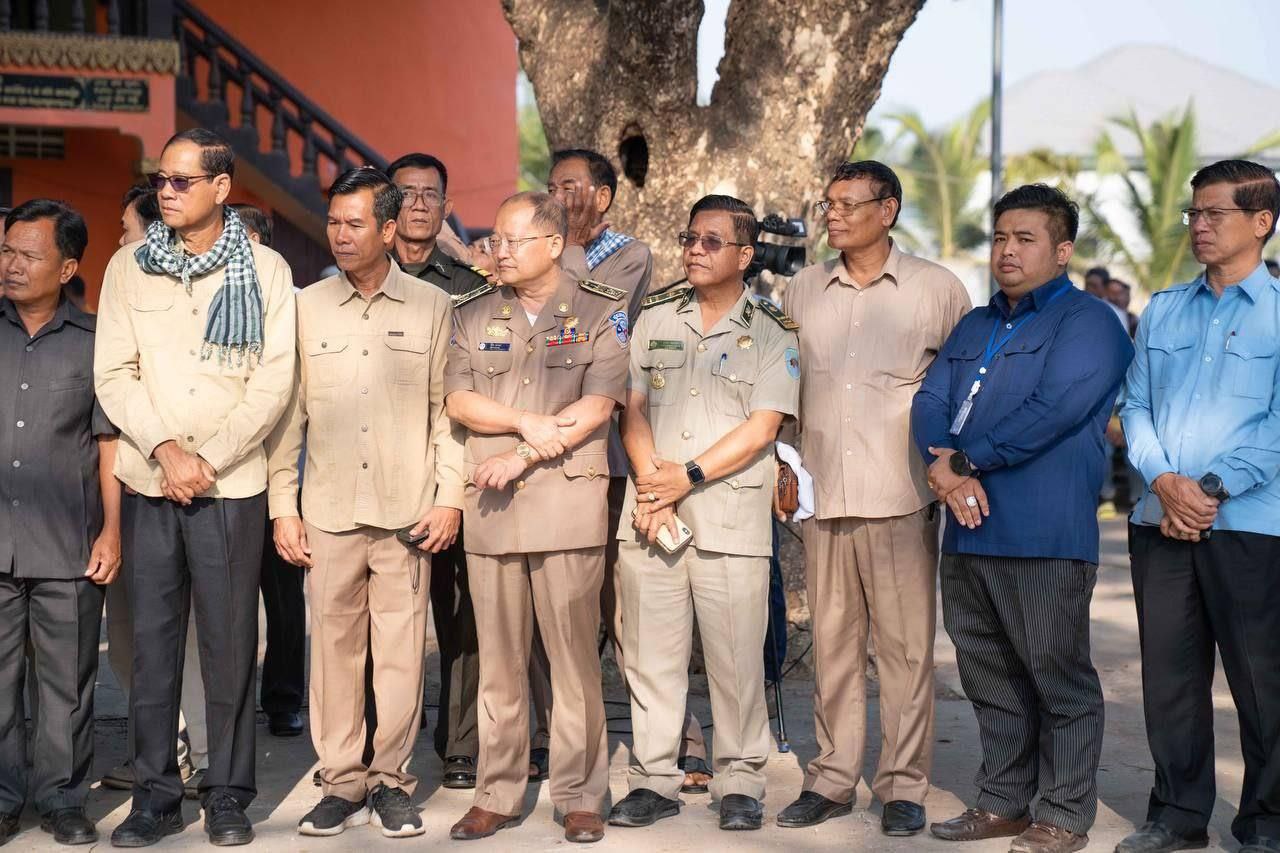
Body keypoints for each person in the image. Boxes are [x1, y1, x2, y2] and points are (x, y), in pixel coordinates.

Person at [912, 184, 1133, 853]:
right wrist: (943, 464)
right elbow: (931, 397)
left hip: (1044, 532)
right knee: (987, 673)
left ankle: (1063, 812)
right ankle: (1004, 802)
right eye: (1001, 237)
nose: (1007, 250)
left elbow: (1056, 409)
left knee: (1057, 678)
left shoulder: (1090, 322)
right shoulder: (975, 323)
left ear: (1063, 250)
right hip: (969, 532)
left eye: (1026, 238)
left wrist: (964, 460)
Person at [94, 128, 297, 847]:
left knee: (230, 645)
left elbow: (275, 380)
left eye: (181, 180)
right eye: (160, 179)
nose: (167, 191)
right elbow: (114, 372)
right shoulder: (128, 268)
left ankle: (228, 793)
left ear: (221, 188)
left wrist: (206, 457)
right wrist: (166, 448)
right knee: (152, 648)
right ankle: (155, 798)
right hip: (150, 480)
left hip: (230, 485)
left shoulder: (266, 270)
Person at [267, 167, 463, 838]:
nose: (340, 235)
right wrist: (284, 506)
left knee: (403, 656)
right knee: (334, 655)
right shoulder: (307, 306)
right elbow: (287, 417)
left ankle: (391, 782)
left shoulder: (431, 307)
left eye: (355, 224)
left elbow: (446, 416)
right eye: (333, 222)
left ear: (387, 229)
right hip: (327, 511)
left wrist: (449, 498)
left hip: (406, 512)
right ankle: (341, 782)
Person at [776, 160, 970, 837]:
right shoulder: (803, 288)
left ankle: (902, 785)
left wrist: (951, 467)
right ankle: (832, 778)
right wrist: (786, 465)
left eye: (848, 204)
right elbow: (786, 387)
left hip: (901, 495)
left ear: (887, 210)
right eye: (828, 203)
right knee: (832, 645)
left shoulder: (937, 289)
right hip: (824, 494)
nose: (833, 214)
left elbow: (964, 390)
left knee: (905, 651)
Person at [606, 195, 798, 831]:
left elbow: (763, 427)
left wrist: (682, 478)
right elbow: (632, 408)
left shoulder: (771, 329)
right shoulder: (656, 316)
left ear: (745, 255)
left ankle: (740, 779)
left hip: (729, 519)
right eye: (690, 238)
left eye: (711, 241)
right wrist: (650, 484)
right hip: (653, 516)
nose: (694, 249)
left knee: (737, 660)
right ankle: (653, 778)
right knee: (650, 658)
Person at [443, 191, 628, 844]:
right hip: (493, 509)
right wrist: (525, 422)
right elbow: (460, 398)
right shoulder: (472, 312)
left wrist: (520, 453)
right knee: (499, 663)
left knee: (574, 663)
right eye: (495, 239)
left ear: (553, 245)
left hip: (567, 506)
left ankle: (580, 795)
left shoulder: (601, 310)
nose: (500, 251)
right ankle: (497, 792)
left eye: (514, 240)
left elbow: (598, 406)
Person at [1117, 160, 1280, 853]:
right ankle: (1178, 814)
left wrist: (1208, 490)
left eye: (1216, 213)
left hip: (1250, 525)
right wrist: (1165, 482)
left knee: (1262, 681)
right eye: (1194, 214)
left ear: (1262, 222)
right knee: (1171, 678)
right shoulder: (1163, 309)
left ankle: (1267, 822)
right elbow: (1135, 404)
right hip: (1161, 520)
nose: (1200, 225)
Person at [546, 147, 709, 789]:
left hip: (614, 458)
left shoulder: (628, 254)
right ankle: (554, 743)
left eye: (570, 187)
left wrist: (559, 247)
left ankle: (681, 742)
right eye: (550, 187)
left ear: (603, 196)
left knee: (631, 609)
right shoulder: (538, 254)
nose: (557, 198)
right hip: (551, 453)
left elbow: (593, 313)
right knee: (561, 611)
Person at [0, 200, 120, 847]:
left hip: (68, 542)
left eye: (29, 254)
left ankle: (62, 798)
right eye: (7, 251)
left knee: (67, 685)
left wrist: (112, 531)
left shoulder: (96, 343)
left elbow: (108, 444)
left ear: (68, 267)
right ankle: (2, 798)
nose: (12, 265)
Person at [101, 183, 212, 799]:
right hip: (147, 478)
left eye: (126, 230)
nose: (119, 241)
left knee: (172, 637)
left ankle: (187, 753)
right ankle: (173, 754)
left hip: (185, 483)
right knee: (145, 637)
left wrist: (182, 457)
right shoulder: (126, 292)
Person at [384, 152, 487, 789]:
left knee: (459, 616)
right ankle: (379, 739)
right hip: (386, 470)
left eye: (431, 195)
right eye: (407, 193)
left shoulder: (471, 286)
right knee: (384, 621)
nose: (419, 204)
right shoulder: (359, 275)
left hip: (457, 470)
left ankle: (459, 743)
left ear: (447, 208)